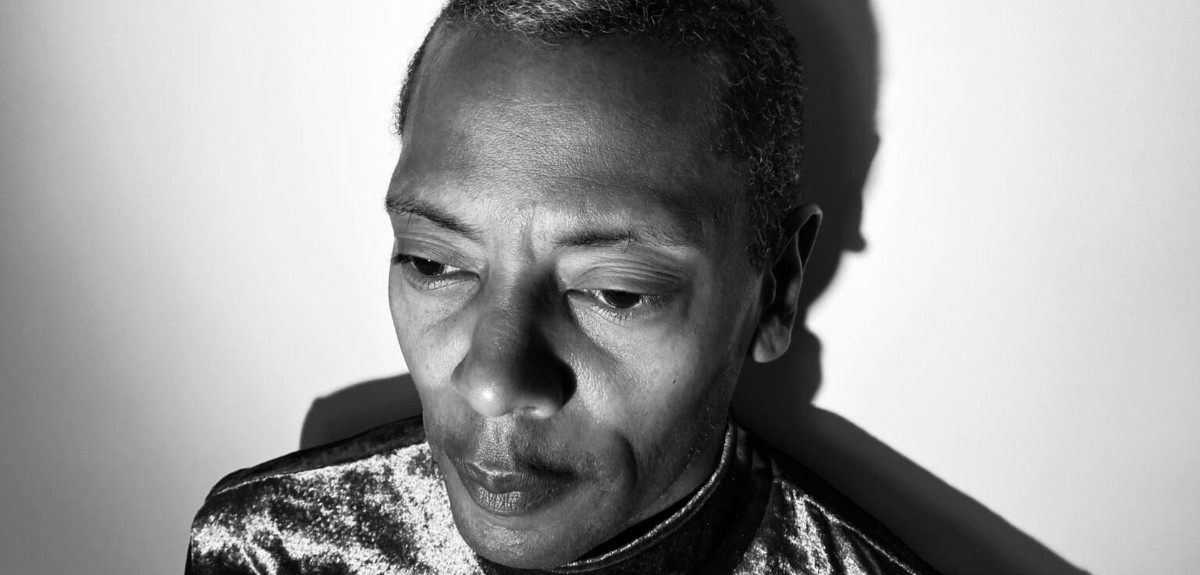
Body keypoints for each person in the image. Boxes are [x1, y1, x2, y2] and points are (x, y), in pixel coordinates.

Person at [187, 1, 938, 573]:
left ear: (775, 289)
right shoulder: (271, 550)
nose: (493, 383)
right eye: (431, 262)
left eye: (616, 292)